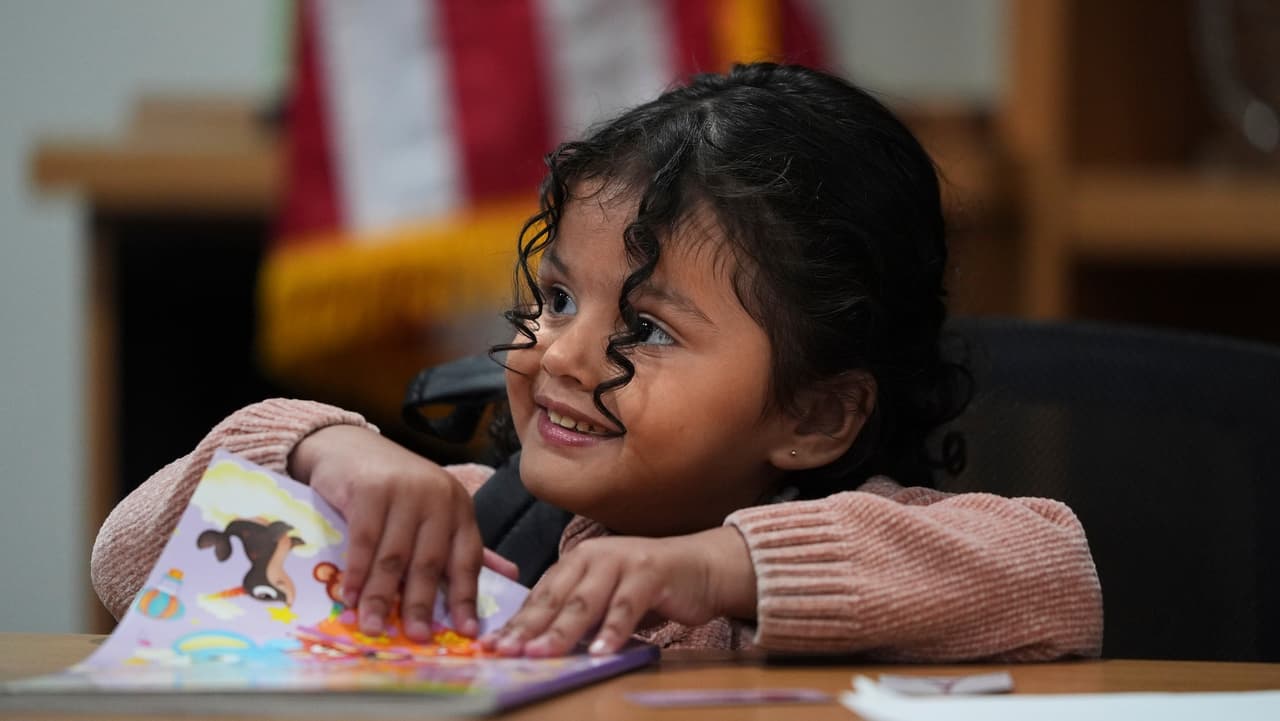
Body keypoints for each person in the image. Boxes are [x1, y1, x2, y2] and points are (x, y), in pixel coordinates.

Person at [91, 63, 1102, 662]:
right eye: (560, 298)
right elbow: (127, 564)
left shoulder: (878, 555)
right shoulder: (473, 538)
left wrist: (720, 569)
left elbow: (1053, 575)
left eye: (646, 330)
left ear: (813, 414)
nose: (563, 353)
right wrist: (321, 450)